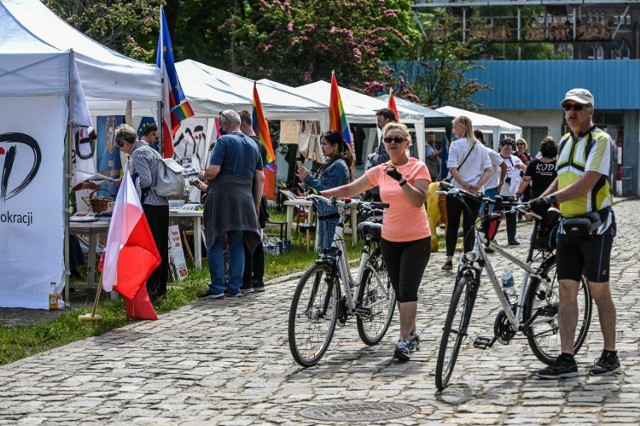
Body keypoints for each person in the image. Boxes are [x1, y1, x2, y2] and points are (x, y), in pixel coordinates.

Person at [322, 122, 431, 361]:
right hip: (389, 239)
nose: (392, 143)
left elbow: (418, 200)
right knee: (399, 293)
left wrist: (401, 180)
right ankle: (411, 333)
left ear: (407, 143)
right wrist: (324, 193)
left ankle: (403, 341)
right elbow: (353, 188)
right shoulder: (380, 169)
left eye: (398, 139)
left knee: (407, 289)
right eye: (388, 139)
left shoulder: (418, 167)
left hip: (416, 239)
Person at [530, 88, 619, 378]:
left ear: (590, 111)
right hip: (568, 226)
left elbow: (588, 182)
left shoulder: (601, 141)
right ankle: (566, 357)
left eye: (578, 107)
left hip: (596, 228)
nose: (571, 112)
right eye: (567, 107)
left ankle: (610, 354)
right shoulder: (566, 141)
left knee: (598, 290)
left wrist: (551, 200)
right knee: (567, 290)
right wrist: (539, 200)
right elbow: (562, 177)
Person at [198, 110, 264, 299]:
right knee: (236, 242)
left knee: (215, 241)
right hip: (244, 199)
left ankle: (217, 287)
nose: (220, 127)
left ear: (226, 124)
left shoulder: (223, 141)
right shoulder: (253, 145)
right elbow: (260, 178)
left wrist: (202, 174)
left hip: (222, 197)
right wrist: (256, 204)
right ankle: (234, 287)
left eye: (220, 123)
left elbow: (213, 171)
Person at [114, 124, 169, 300]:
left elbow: (145, 181)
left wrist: (128, 182)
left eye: (121, 147)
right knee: (160, 247)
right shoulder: (151, 150)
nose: (122, 151)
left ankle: (152, 289)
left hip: (149, 204)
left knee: (150, 247)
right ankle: (160, 288)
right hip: (161, 203)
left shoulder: (138, 153)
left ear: (125, 142)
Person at [442, 116, 492, 271]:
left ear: (462, 127)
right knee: (469, 225)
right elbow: (488, 170)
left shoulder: (455, 145)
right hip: (475, 193)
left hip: (457, 190)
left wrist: (464, 184)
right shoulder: (481, 147)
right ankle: (468, 258)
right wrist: (477, 185)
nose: (454, 130)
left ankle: (449, 259)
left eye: (455, 127)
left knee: (453, 224)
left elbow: (452, 168)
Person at [295, 130, 354, 251]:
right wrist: (305, 181)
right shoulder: (329, 162)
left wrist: (309, 178)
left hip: (332, 217)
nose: (322, 147)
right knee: (325, 254)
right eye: (321, 143)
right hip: (325, 215)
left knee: (329, 255)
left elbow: (328, 192)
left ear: (335, 146)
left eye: (325, 144)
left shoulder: (338, 165)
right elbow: (319, 187)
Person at [238, 109, 268, 293]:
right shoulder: (259, 144)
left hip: (252, 195)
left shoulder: (251, 145)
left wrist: (255, 203)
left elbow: (259, 177)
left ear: (243, 124)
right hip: (255, 195)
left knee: (250, 239)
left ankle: (249, 279)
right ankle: (257, 279)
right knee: (255, 239)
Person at [497, 137, 526, 246]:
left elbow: (527, 171)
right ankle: (490, 237)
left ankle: (511, 238)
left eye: (509, 149)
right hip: (499, 192)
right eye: (505, 149)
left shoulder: (515, 159)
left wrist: (522, 166)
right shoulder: (496, 158)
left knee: (512, 216)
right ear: (501, 148)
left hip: (512, 193)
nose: (507, 151)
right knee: (496, 216)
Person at [364, 108, 396, 201]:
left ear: (387, 120)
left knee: (380, 214)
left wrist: (371, 156)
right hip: (384, 184)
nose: (378, 124)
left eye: (379, 121)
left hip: (385, 185)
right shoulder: (387, 133)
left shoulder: (389, 134)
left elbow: (384, 159)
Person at [475, 130, 506, 215]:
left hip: (491, 188)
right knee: (477, 214)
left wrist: (500, 183)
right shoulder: (473, 152)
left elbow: (504, 166)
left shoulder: (490, 153)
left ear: (479, 139)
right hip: (478, 188)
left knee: (483, 214)